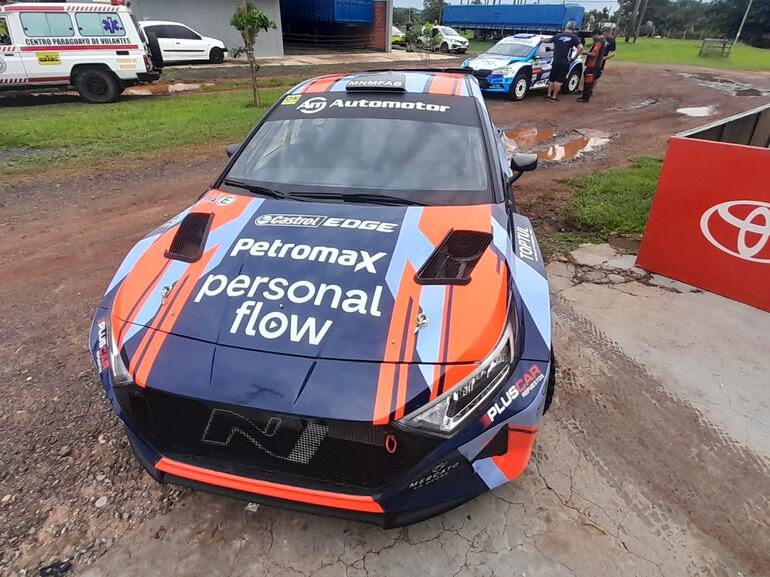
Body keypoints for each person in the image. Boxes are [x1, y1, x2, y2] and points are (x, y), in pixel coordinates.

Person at [546, 22, 583, 102]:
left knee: (551, 79)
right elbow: (580, 48)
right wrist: (574, 57)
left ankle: (548, 95)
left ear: (565, 27)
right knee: (559, 80)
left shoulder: (558, 35)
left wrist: (542, 39)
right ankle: (554, 97)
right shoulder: (574, 37)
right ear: (573, 28)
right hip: (565, 62)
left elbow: (548, 40)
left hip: (555, 61)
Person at [578, 30, 606, 103]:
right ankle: (585, 96)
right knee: (590, 80)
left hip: (592, 65)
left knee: (588, 81)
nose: (592, 38)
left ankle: (585, 98)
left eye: (593, 36)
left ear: (596, 35)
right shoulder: (603, 41)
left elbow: (594, 54)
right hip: (596, 65)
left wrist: (585, 53)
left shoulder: (599, 42)